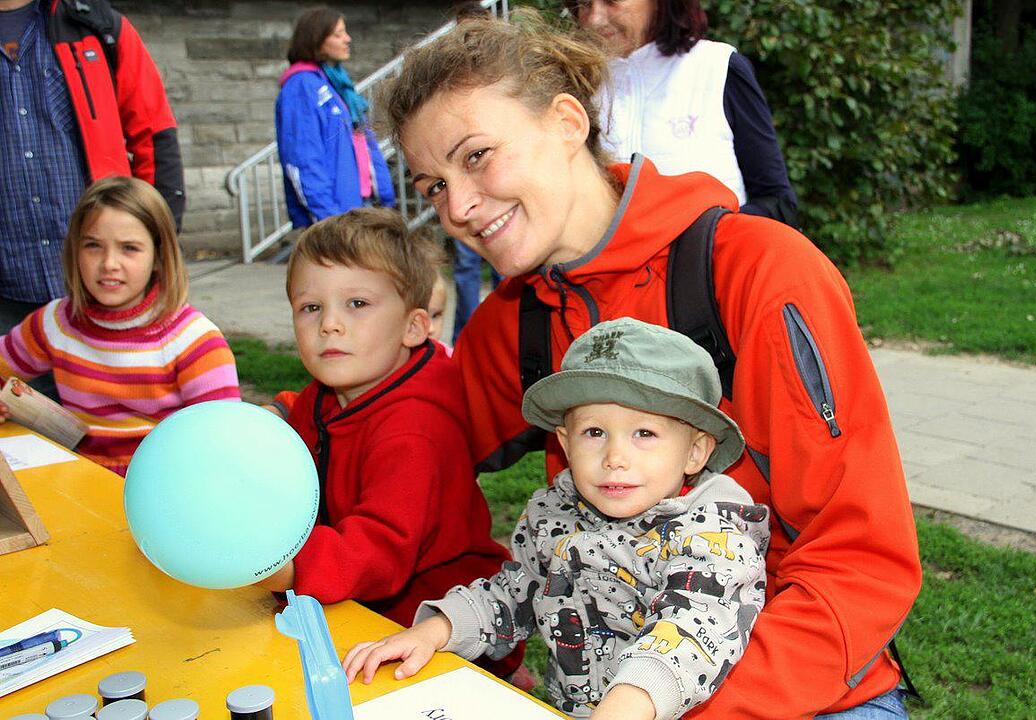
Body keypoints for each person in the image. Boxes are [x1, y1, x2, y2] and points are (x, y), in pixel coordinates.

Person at [378, 12, 921, 718]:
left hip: (798, 689)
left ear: (569, 121)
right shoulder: (515, 321)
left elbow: (861, 558)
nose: (458, 207)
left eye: (476, 156)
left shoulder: (760, 271)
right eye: (431, 187)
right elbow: (417, 442)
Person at [345, 318, 769, 720]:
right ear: (565, 443)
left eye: (644, 434)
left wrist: (626, 705)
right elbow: (512, 592)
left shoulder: (714, 537)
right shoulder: (554, 515)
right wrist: (438, 630)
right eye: (594, 433)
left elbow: (690, 632)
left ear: (696, 451)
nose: (614, 458)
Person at [254, 207, 521, 677]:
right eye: (310, 307)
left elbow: (381, 546)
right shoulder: (337, 389)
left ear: (414, 327)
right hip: (360, 612)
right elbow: (311, 427)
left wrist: (290, 569)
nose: (329, 325)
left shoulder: (415, 430)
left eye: (357, 304)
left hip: (435, 632)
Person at [0, 0, 185, 396]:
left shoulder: (95, 26)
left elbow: (154, 133)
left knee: (119, 432)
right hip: (7, 293)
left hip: (101, 284)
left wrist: (155, 244)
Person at [0, 177, 238, 476]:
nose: (109, 262)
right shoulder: (55, 323)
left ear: (158, 257)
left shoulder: (195, 342)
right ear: (75, 251)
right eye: (93, 246)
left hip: (163, 491)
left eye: (129, 248)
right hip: (79, 483)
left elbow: (225, 440)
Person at [568, 0, 798, 226]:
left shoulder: (717, 68)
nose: (594, 18)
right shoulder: (576, 85)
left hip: (711, 260)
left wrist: (709, 235)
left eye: (611, 1)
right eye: (585, 4)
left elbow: (777, 202)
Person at [276, 6, 396, 232]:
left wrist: (385, 195)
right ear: (317, 39)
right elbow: (303, 159)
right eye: (338, 34)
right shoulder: (302, 86)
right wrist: (329, 219)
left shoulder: (336, 84)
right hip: (336, 217)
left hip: (362, 207)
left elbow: (365, 143)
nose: (347, 39)